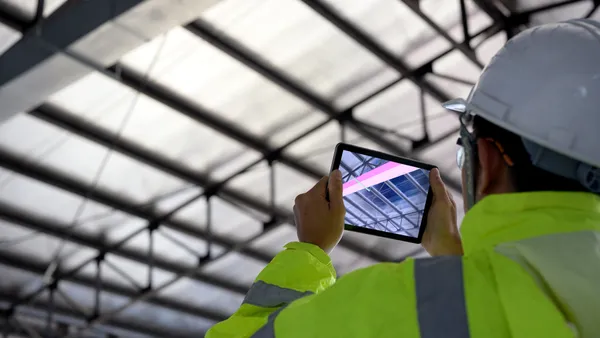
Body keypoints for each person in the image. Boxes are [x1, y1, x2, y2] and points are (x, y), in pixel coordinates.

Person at [207, 19, 600, 338]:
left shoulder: (404, 302)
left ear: (488, 161)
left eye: (464, 151)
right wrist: (454, 260)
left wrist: (309, 252)